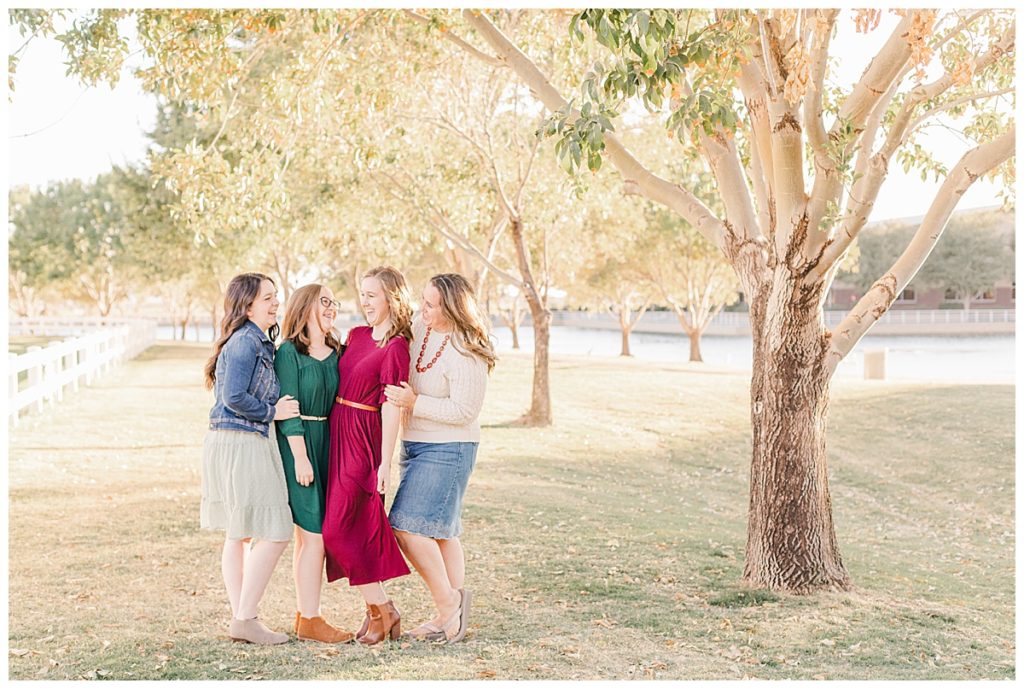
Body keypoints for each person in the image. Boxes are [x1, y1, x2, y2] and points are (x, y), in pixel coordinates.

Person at [384, 273, 496, 644]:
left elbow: (464, 410)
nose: (423, 309)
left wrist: (416, 403)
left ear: (451, 307)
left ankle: (450, 605)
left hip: (450, 447)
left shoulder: (467, 349)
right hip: (415, 444)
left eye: (432, 304)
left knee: (406, 525)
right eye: (423, 300)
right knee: (442, 533)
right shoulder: (420, 327)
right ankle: (449, 619)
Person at [200, 272, 299, 645]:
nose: (276, 303)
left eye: (276, 297)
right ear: (247, 306)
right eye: (267, 299)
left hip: (232, 440)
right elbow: (233, 397)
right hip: (241, 441)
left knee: (239, 533)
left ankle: (243, 616)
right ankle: (245, 616)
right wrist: (274, 411)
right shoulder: (245, 343)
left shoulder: (256, 341)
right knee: (275, 530)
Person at [322, 265, 412, 645]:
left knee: (338, 529)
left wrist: (383, 463)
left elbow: (393, 408)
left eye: (372, 294)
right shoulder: (356, 335)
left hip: (363, 439)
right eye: (362, 293)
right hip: (336, 435)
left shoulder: (396, 348)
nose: (365, 301)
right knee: (349, 529)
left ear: (391, 298)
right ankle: (374, 612)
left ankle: (385, 608)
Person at [274, 283, 354, 643]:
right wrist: (301, 457)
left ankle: (305, 615)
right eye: (324, 301)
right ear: (305, 306)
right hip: (300, 447)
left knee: (311, 539)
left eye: (334, 303)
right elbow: (288, 408)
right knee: (314, 536)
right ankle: (311, 618)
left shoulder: (339, 351)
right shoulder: (288, 353)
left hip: (331, 446)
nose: (331, 308)